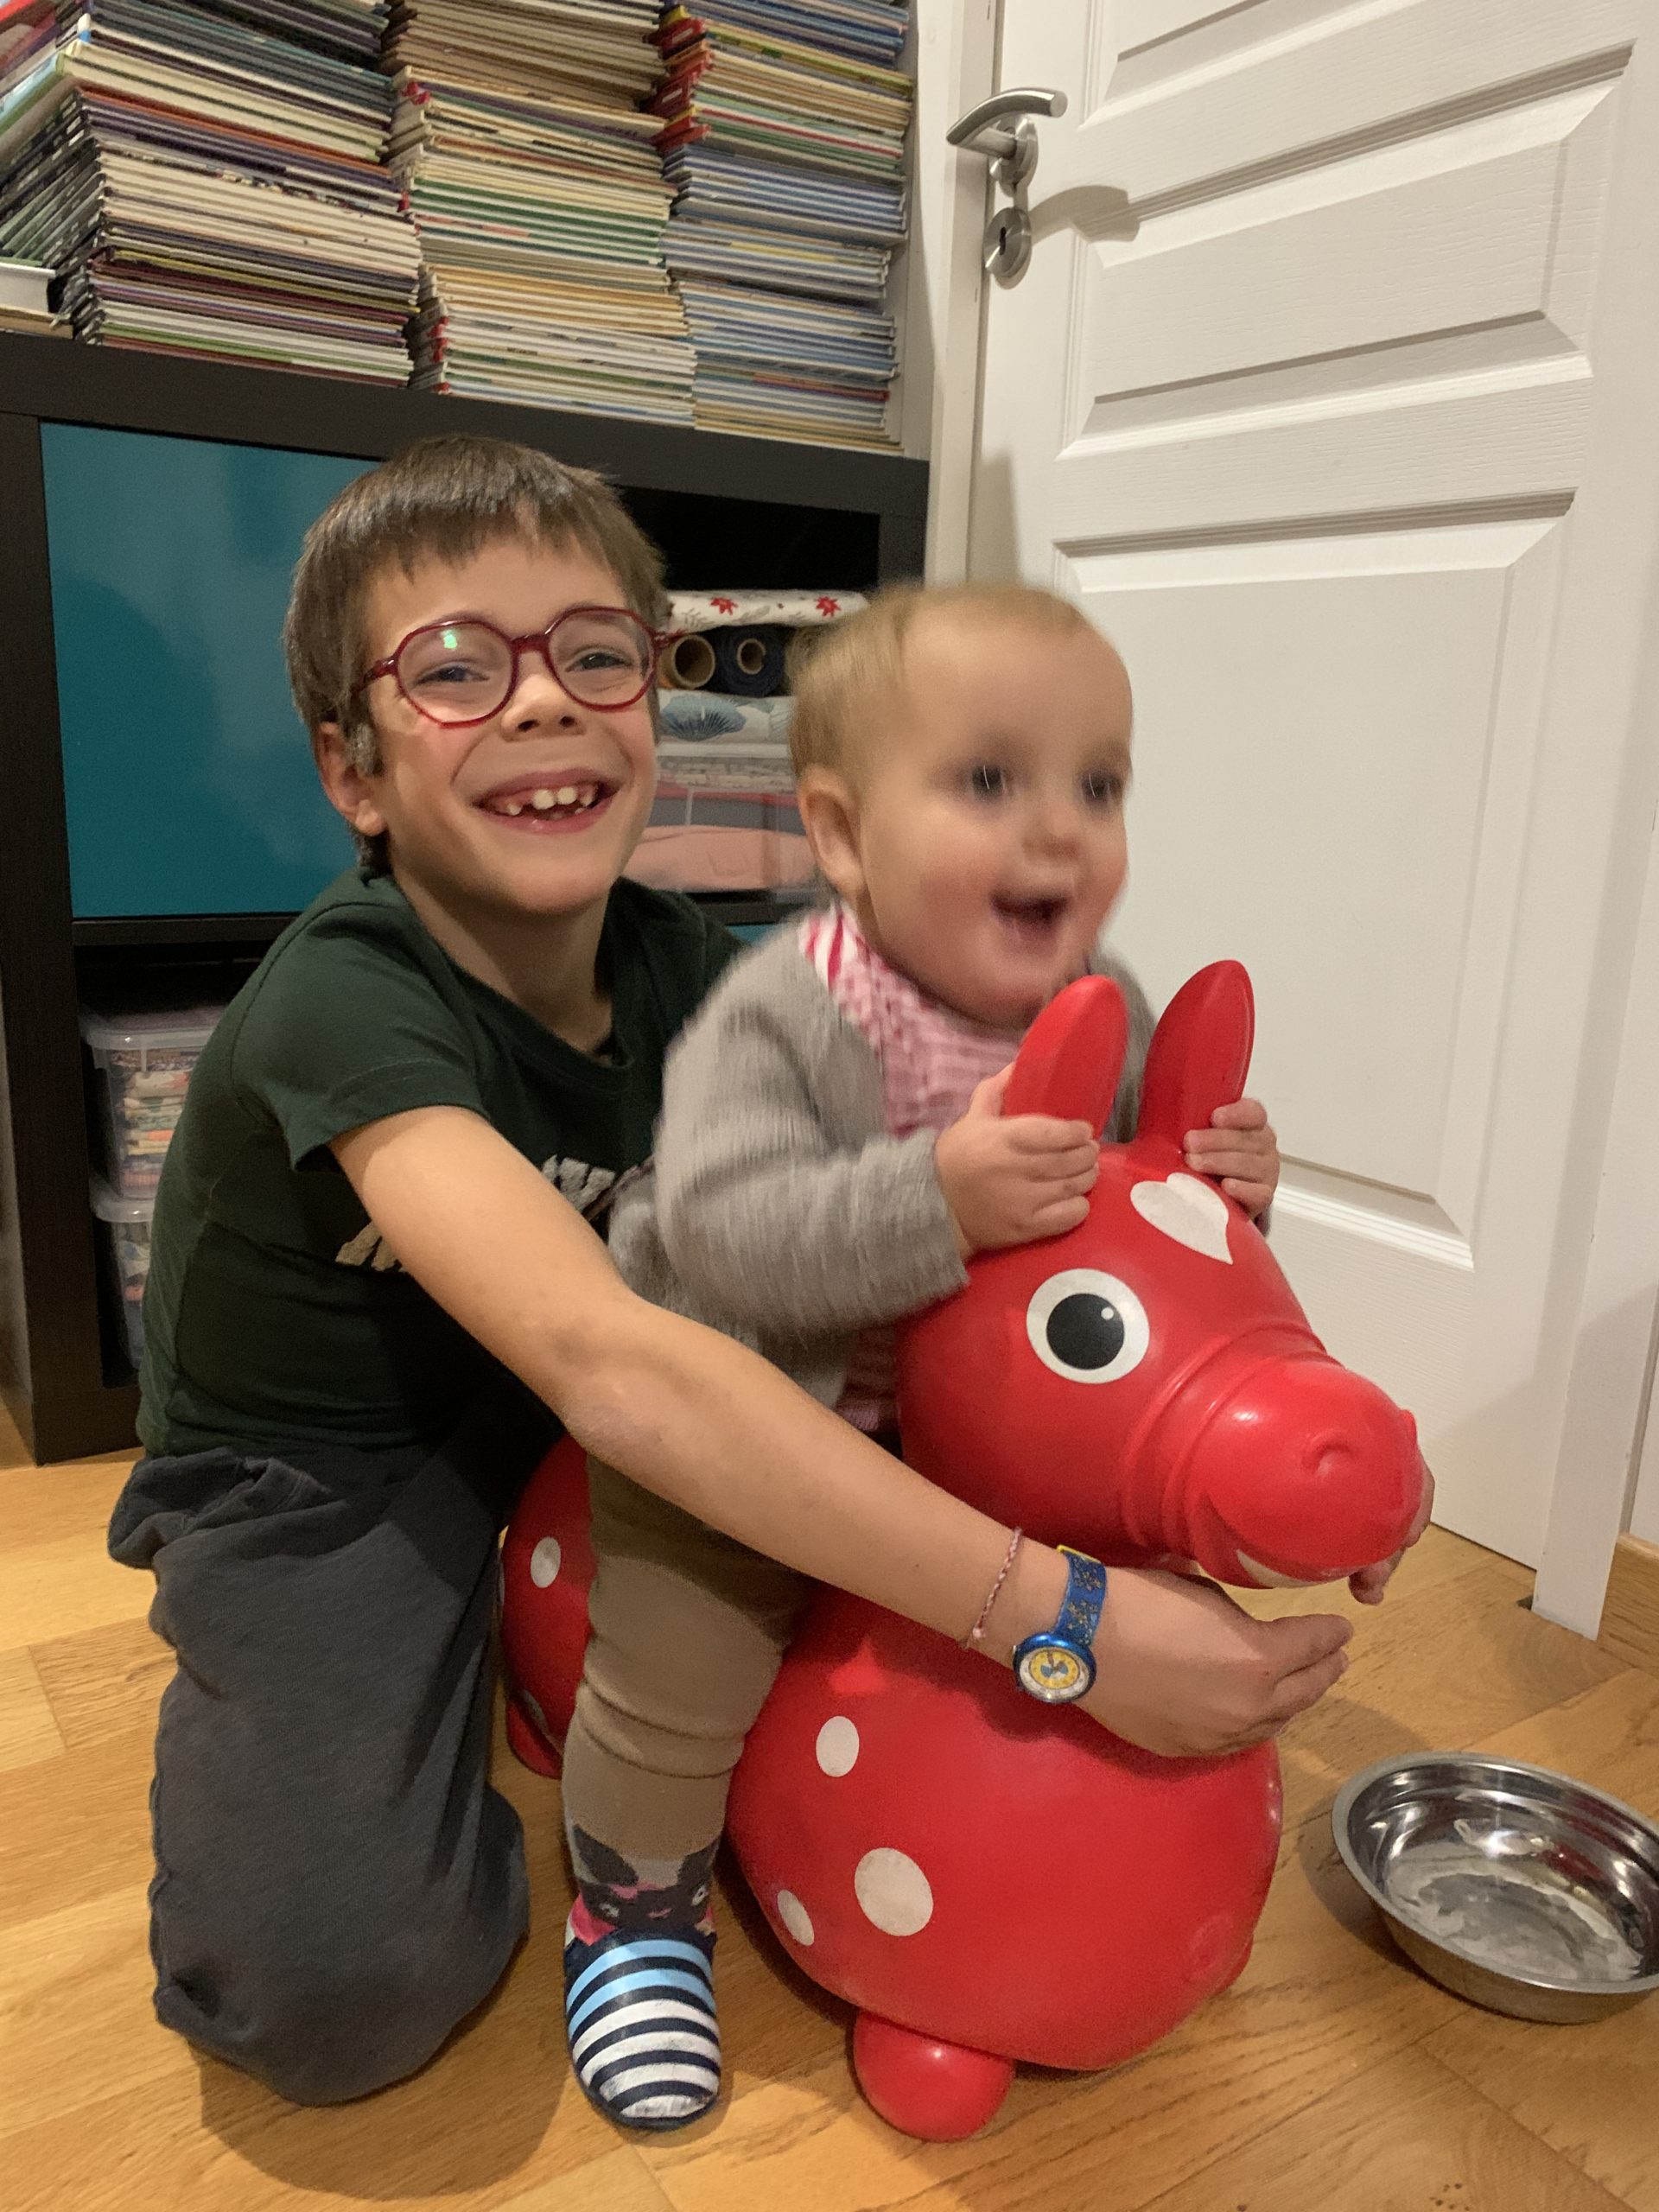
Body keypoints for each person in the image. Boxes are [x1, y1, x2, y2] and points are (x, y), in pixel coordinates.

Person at [109, 437, 1369, 2115]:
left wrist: (1175, 1175)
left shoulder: (705, 976)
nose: (543, 701)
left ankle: (615, 1762)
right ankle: (626, 1898)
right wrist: (1060, 1623)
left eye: (598, 653)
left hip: (588, 1406)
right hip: (328, 1467)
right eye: (460, 668)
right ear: (355, 769)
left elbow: (974, 1146)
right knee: (338, 1991)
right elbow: (617, 1367)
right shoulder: (345, 999)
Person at [554, 581, 1432, 2130]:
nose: (1057, 831)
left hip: (993, 1446)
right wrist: (931, 1202)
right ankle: (632, 1919)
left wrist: (1227, 1185)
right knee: (684, 1665)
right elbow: (723, 1235)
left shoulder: (1114, 1010)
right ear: (841, 836)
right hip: (764, 1431)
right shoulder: (782, 1018)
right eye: (988, 780)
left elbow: (1141, 1244)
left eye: (1098, 785)